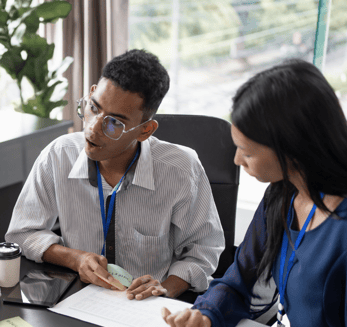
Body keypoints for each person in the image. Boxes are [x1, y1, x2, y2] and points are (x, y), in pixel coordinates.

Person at [162, 59, 347, 327]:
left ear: (292, 149)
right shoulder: (283, 194)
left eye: (246, 152)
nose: (236, 161)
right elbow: (240, 280)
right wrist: (206, 316)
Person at [6, 49, 224, 300]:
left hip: (146, 305)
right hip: (78, 298)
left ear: (145, 130)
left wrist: (165, 289)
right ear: (90, 93)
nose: (93, 128)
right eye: (93, 108)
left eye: (115, 123)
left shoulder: (181, 170)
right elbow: (22, 233)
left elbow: (203, 251)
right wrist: (76, 258)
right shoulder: (59, 155)